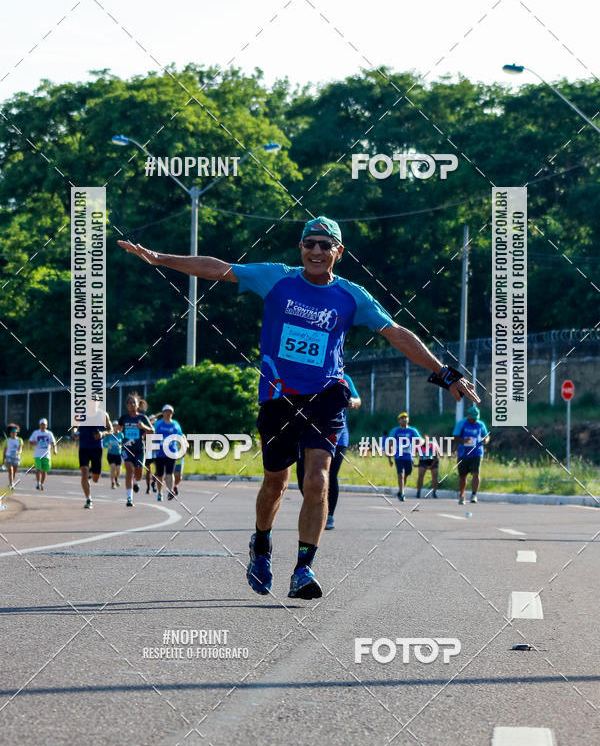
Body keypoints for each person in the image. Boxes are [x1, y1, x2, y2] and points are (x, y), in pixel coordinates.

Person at [118, 216, 478, 599]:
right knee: (276, 482)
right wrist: (159, 258)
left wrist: (444, 372)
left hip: (326, 397)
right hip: (278, 398)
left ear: (339, 251)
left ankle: (303, 569)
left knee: (317, 479)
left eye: (326, 245)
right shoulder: (276, 278)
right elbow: (215, 267)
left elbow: (396, 333)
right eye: (310, 244)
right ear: (300, 248)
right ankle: (261, 545)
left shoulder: (352, 296)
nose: (317, 251)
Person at [296, 373, 361, 530]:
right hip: (306, 433)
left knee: (329, 474)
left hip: (337, 435)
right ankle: (316, 506)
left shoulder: (344, 377)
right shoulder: (307, 373)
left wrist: (351, 402)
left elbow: (358, 400)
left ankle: (329, 514)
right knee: (302, 475)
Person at [117, 394, 154, 507]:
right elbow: (117, 429)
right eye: (129, 403)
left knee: (138, 474)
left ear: (137, 405)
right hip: (126, 448)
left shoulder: (142, 418)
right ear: (127, 406)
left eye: (134, 403)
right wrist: (115, 431)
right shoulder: (123, 418)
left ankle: (135, 481)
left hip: (139, 449)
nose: (132, 404)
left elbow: (152, 431)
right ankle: (129, 498)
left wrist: (143, 427)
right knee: (129, 470)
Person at [453, 405, 490, 504]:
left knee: (476, 473)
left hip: (477, 452)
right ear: (468, 415)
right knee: (462, 476)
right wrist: (463, 440)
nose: (474, 421)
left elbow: (486, 436)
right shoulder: (461, 423)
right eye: (472, 418)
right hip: (463, 453)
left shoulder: (480, 424)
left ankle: (474, 494)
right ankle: (462, 495)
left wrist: (485, 440)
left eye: (476, 418)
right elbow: (455, 437)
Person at [73, 413, 112, 508]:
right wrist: (74, 432)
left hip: (97, 448)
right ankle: (88, 499)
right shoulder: (80, 415)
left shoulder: (103, 415)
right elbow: (74, 427)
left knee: (96, 478)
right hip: (84, 447)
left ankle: (91, 472)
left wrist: (102, 434)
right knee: (84, 472)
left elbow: (110, 429)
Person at [152, 404, 185, 501]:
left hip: (172, 452)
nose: (168, 413)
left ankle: (170, 491)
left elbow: (180, 437)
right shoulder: (158, 424)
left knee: (170, 473)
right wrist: (152, 448)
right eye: (166, 411)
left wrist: (182, 448)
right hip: (160, 453)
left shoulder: (175, 424)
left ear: (172, 413)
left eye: (170, 412)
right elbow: (153, 436)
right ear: (163, 413)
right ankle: (159, 492)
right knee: (160, 474)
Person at [386, 412, 421, 501]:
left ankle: (400, 490)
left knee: (406, 474)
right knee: (401, 474)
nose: (404, 419)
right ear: (399, 421)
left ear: (408, 419)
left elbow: (420, 440)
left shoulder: (413, 430)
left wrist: (420, 445)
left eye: (406, 417)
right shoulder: (395, 431)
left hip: (409, 456)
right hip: (398, 456)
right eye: (402, 418)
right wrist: (389, 458)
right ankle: (402, 494)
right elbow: (390, 444)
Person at [29, 418, 57, 490]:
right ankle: (38, 483)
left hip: (46, 455)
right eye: (41, 424)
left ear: (46, 425)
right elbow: (30, 441)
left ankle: (41, 483)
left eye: (44, 425)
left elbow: (53, 442)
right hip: (38, 455)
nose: (43, 426)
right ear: (39, 425)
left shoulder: (49, 433)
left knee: (44, 470)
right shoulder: (36, 433)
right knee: (38, 469)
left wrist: (55, 450)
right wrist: (34, 443)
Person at [102, 421, 124, 488]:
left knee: (118, 470)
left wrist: (120, 446)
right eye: (114, 425)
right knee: (113, 468)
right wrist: (107, 446)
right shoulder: (109, 434)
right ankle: (112, 483)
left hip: (118, 455)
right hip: (111, 454)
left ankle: (116, 478)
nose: (115, 427)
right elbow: (104, 442)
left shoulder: (121, 434)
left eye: (116, 425)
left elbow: (124, 443)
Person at [4, 424, 23, 489]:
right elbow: (5, 450)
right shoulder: (7, 440)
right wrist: (3, 459)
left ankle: (11, 482)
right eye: (12, 432)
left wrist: (19, 452)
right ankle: (12, 484)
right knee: (10, 470)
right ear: (10, 433)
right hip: (8, 457)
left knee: (14, 471)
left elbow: (20, 448)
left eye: (15, 432)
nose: (14, 433)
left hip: (16, 457)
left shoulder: (19, 440)